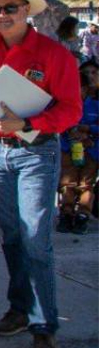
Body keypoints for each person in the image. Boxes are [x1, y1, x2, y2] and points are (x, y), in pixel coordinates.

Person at [0, 0, 81, 348]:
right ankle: (19, 311)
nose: (2, 16)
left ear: (26, 11)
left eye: (10, 8)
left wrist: (28, 124)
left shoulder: (54, 55)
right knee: (13, 237)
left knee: (36, 238)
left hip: (35, 152)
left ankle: (44, 327)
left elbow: (71, 110)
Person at [59, 60, 99, 234]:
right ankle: (66, 213)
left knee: (86, 184)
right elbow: (59, 124)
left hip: (92, 150)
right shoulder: (65, 104)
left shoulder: (95, 104)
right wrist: (71, 133)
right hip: (69, 148)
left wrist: (88, 132)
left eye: (94, 73)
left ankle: (83, 214)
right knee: (68, 183)